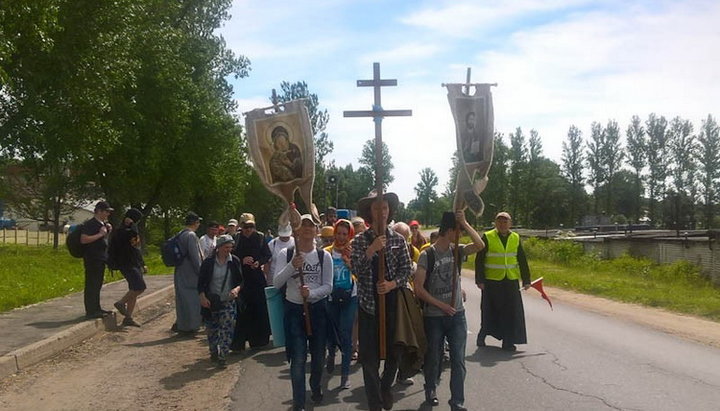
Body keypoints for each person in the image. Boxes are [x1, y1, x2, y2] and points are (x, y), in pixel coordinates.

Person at [414, 211, 484, 411]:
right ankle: (430, 388)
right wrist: (440, 304)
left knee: (458, 360)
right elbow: (419, 288)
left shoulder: (457, 251)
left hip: (457, 316)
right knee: (433, 356)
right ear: (449, 231)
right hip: (434, 317)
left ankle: (457, 402)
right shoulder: (427, 255)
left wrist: (465, 222)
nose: (461, 234)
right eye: (459, 230)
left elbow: (480, 245)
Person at [351, 190, 412, 411]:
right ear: (370, 212)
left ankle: (386, 386)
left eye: (384, 208)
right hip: (368, 307)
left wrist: (392, 284)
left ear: (389, 210)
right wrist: (371, 250)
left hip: (393, 306)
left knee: (394, 355)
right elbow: (356, 268)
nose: (381, 212)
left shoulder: (398, 239)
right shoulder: (359, 240)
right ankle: (375, 403)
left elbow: (407, 271)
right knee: (369, 361)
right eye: (377, 208)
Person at [274, 214, 333, 411]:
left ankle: (315, 386)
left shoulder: (324, 256)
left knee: (318, 357)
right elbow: (276, 283)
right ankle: (298, 402)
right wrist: (292, 265)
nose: (307, 228)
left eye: (311, 225)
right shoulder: (286, 253)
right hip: (294, 310)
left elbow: (328, 286)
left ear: (317, 230)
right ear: (296, 229)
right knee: (298, 358)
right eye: (303, 225)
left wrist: (312, 293)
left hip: (317, 311)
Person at [475, 211, 531, 351]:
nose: (502, 224)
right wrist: (479, 279)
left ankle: (508, 341)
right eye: (500, 221)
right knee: (489, 310)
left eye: (505, 221)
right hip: (492, 280)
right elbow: (479, 260)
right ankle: (482, 335)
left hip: (510, 279)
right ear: (495, 223)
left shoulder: (515, 238)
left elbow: (522, 259)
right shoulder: (487, 237)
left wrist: (526, 279)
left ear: (510, 223)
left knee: (511, 312)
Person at [198, 234, 243, 369]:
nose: (228, 250)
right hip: (211, 302)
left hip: (228, 301)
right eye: (225, 247)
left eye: (230, 247)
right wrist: (202, 297)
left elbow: (241, 281)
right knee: (212, 330)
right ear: (218, 248)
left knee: (227, 329)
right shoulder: (208, 263)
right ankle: (213, 351)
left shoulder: (234, 261)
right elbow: (200, 283)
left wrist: (237, 289)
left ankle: (223, 355)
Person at [231, 213, 272, 350]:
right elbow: (229, 256)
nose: (248, 229)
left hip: (256, 278)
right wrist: (241, 260)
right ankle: (239, 342)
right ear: (240, 227)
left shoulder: (260, 237)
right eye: (245, 226)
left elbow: (267, 255)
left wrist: (259, 262)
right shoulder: (236, 239)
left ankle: (259, 340)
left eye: (251, 226)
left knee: (259, 309)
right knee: (241, 311)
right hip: (241, 279)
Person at [324, 219, 357, 390]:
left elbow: (360, 272)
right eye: (339, 233)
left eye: (345, 234)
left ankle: (345, 375)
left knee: (345, 334)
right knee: (332, 333)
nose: (342, 237)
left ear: (350, 235)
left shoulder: (354, 251)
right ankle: (331, 352)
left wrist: (350, 263)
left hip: (350, 297)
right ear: (335, 233)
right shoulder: (326, 252)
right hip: (331, 298)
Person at [111, 208, 147, 327]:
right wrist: (131, 225)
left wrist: (142, 263)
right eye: (134, 220)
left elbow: (136, 249)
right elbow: (132, 234)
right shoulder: (121, 231)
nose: (135, 223)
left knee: (134, 289)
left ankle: (128, 317)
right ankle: (121, 303)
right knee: (140, 287)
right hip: (126, 264)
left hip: (135, 263)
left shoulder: (131, 230)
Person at [171, 212, 204, 334]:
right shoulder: (191, 235)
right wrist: (201, 273)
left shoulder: (180, 234)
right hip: (190, 271)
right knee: (193, 299)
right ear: (195, 223)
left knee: (182, 299)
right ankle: (192, 326)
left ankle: (183, 325)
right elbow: (195, 257)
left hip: (180, 269)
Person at [80, 201, 114, 319]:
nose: (108, 214)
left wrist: (107, 231)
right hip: (92, 259)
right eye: (106, 211)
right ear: (99, 211)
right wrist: (100, 234)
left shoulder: (102, 224)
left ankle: (97, 308)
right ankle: (91, 311)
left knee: (98, 284)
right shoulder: (91, 224)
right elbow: (84, 239)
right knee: (92, 284)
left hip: (100, 259)